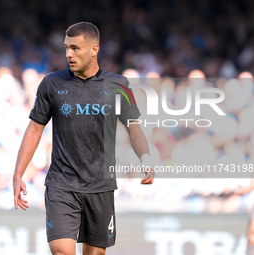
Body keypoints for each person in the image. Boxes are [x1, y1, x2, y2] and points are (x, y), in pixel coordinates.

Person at [13, 22, 155, 255]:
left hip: (100, 186)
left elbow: (134, 129)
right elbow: (35, 129)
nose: (69, 54)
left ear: (94, 49)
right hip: (62, 184)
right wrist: (18, 174)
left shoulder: (118, 86)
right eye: (67, 47)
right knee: (62, 252)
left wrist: (146, 158)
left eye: (76, 48)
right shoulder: (52, 84)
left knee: (95, 253)